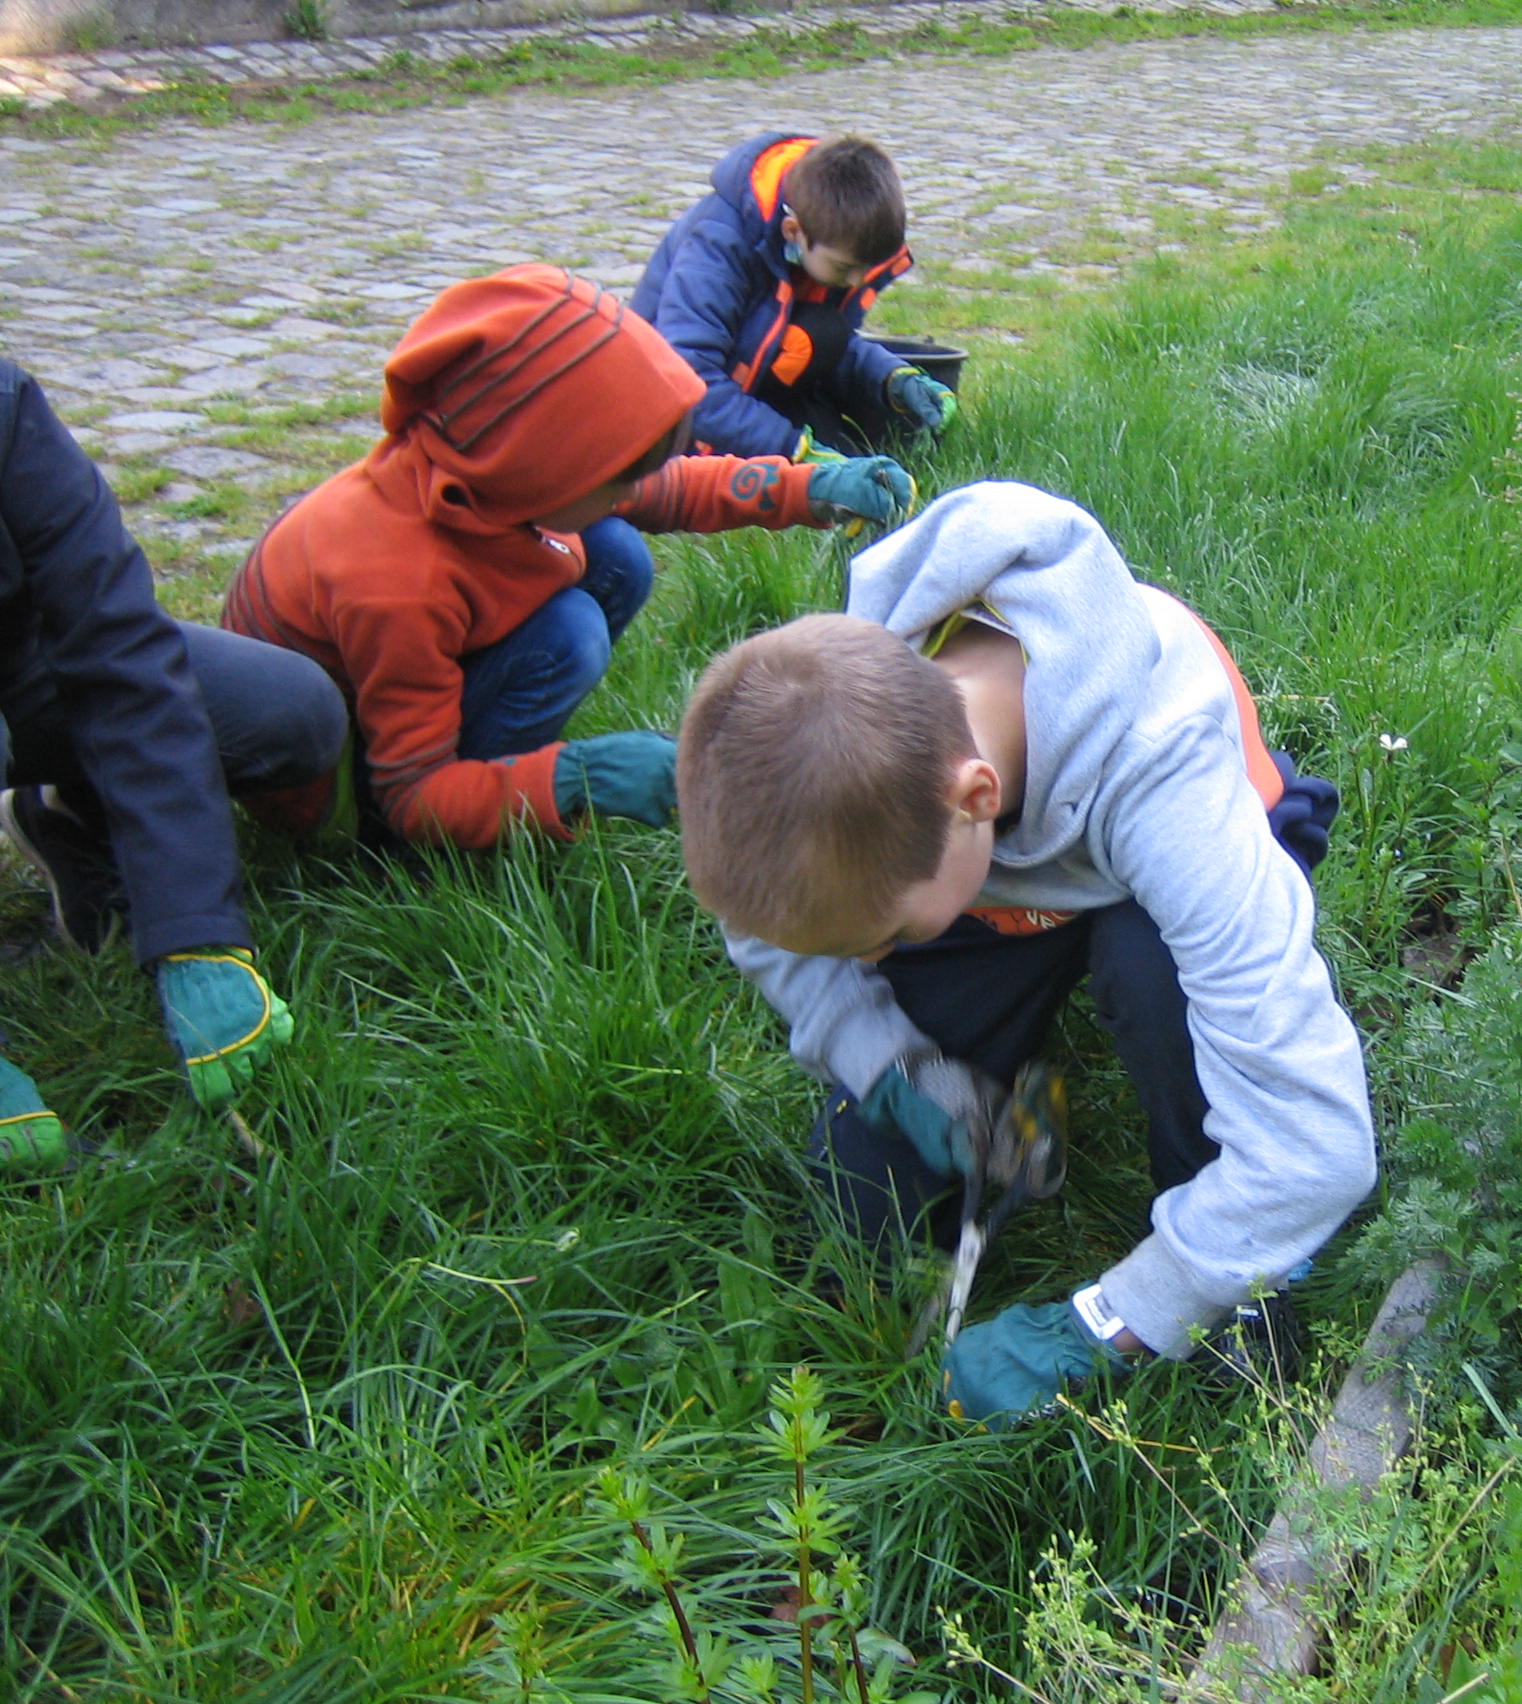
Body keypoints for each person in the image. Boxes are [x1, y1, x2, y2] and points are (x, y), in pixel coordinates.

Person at [676, 481, 1375, 1428]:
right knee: (863, 1201)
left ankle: (1235, 1272)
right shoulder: (847, 734)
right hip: (991, 881)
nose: (870, 961)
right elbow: (763, 924)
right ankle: (967, 1057)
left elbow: (1319, 1149)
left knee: (1154, 978)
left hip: (1160, 855)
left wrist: (1111, 1322)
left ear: (973, 800)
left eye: (885, 942)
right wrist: (893, 1069)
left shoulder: (1165, 775)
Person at [221, 264, 916, 850]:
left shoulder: (490, 468)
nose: (639, 489)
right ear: (545, 475)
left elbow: (661, 490)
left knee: (613, 551)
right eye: (619, 477)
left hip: (400, 683)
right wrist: (573, 778)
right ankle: (491, 791)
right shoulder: (397, 583)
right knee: (572, 630)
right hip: (344, 793)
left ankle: (502, 761)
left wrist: (807, 487)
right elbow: (413, 795)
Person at [1, 358, 346, 1172]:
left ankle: (81, 813)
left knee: (290, 711)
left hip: (20, 663)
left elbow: (119, 644)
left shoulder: (5, 406)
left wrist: (196, 932)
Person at [631, 132, 958, 461]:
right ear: (793, 231)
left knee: (823, 335)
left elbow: (815, 341)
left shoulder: (819, 228)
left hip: (748, 383)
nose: (858, 280)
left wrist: (891, 378)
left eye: (867, 267)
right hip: (666, 424)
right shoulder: (717, 248)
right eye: (846, 267)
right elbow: (689, 385)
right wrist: (792, 447)